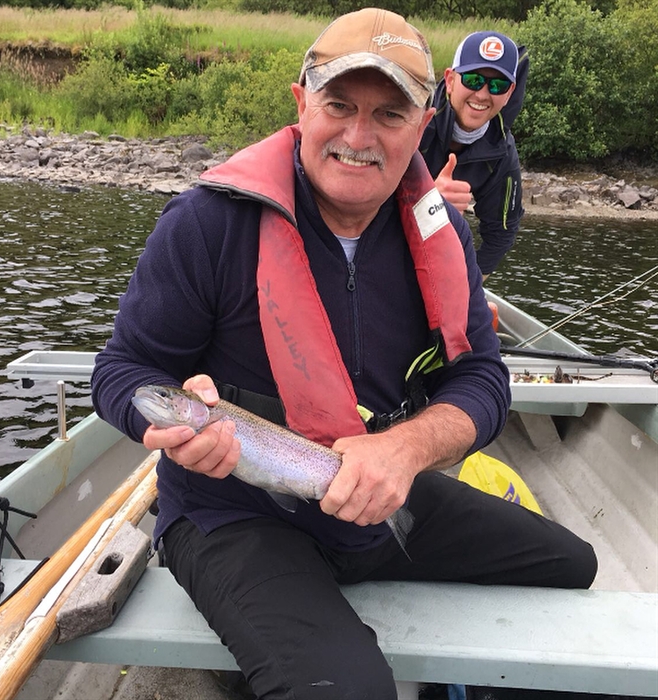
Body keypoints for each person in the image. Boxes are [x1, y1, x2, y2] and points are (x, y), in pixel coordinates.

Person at [91, 9, 597, 700]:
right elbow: (122, 372)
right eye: (339, 106)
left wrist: (406, 450)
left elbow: (482, 376)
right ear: (302, 104)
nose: (359, 138)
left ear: (423, 123)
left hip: (378, 493)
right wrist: (160, 427)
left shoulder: (442, 232)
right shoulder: (207, 223)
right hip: (235, 514)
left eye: (390, 114)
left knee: (571, 566)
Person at [420, 31, 528, 280]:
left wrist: (466, 287)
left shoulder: (502, 151)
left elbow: (501, 233)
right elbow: (365, 201)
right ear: (450, 80)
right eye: (472, 80)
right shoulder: (415, 120)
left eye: (498, 85)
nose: (482, 94)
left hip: (435, 257)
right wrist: (428, 201)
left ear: (509, 93)